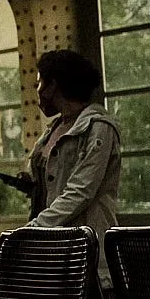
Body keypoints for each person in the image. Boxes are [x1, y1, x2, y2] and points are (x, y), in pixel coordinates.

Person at [24, 48, 122, 238]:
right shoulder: (54, 128)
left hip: (85, 241)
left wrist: (34, 228)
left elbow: (81, 191)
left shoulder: (98, 128)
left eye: (39, 83)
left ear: (52, 85)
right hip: (53, 242)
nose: (38, 91)